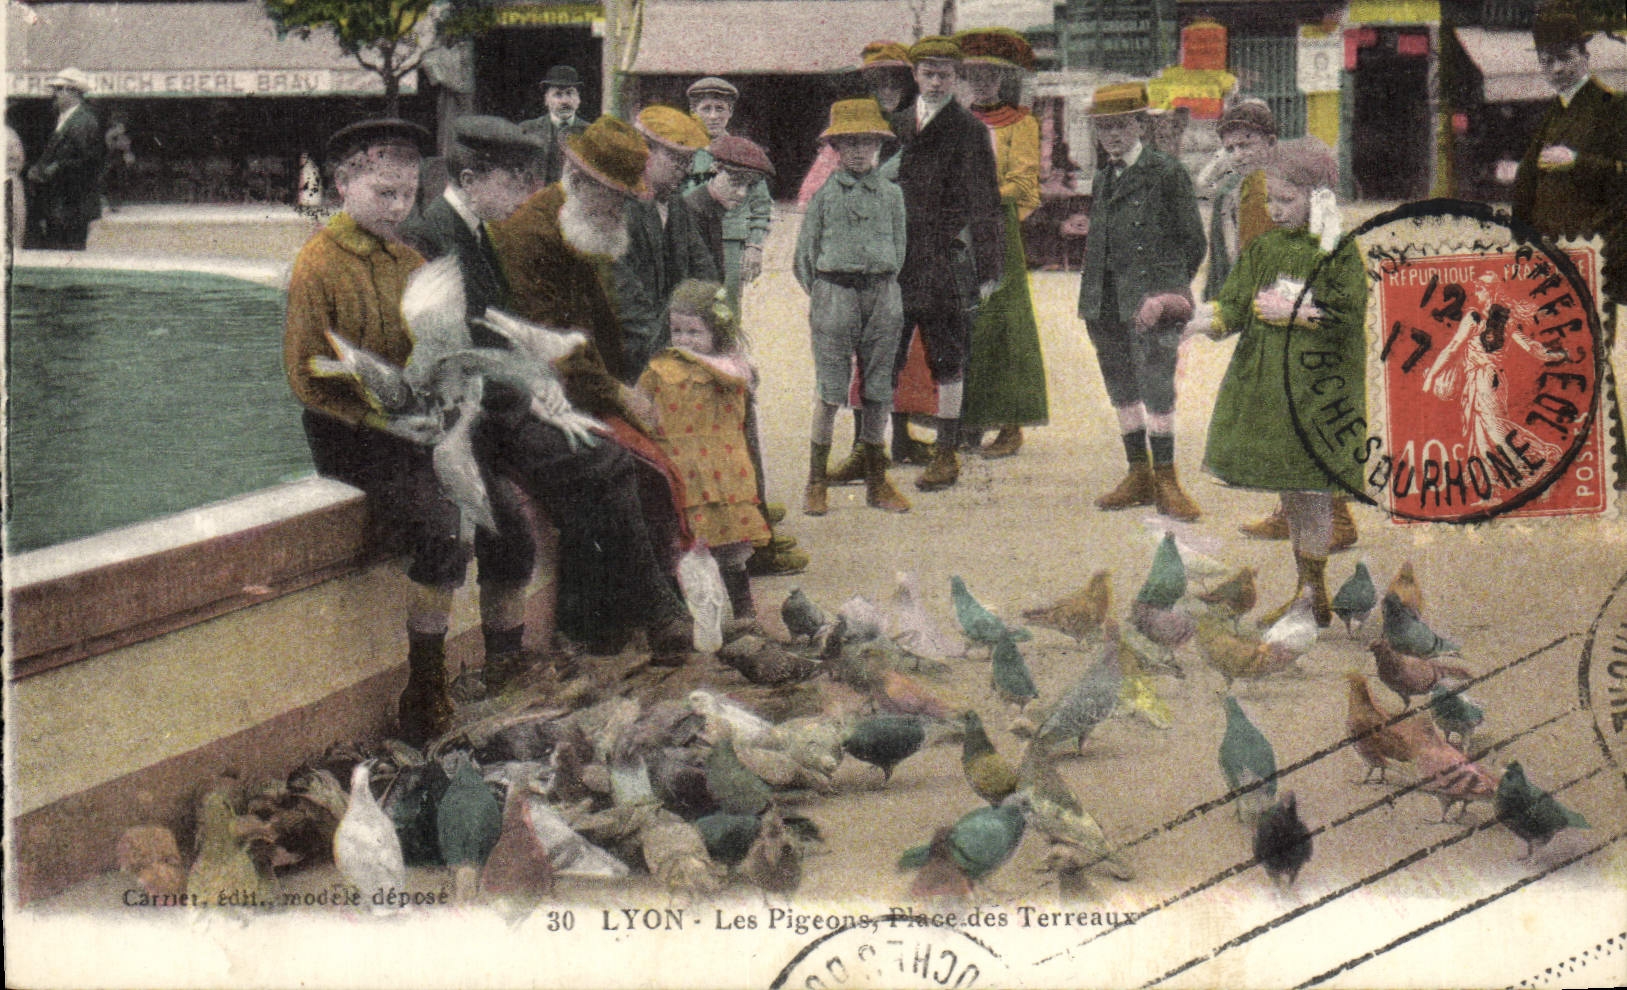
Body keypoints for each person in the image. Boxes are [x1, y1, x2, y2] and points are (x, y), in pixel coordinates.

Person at [485, 116, 699, 667]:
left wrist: (632, 383)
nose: (623, 211)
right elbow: (551, 345)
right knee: (620, 465)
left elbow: (597, 329)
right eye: (616, 199)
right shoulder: (532, 234)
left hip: (574, 389)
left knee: (649, 466)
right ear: (579, 181)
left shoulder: (579, 223)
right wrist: (620, 396)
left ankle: (608, 626)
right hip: (535, 394)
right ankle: (650, 614)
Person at [282, 117, 469, 744]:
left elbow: (433, 345)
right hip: (347, 429)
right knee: (444, 525)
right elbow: (307, 374)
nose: (397, 207)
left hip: (409, 423)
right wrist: (384, 416)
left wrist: (439, 392)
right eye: (382, 194)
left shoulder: (410, 260)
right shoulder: (317, 264)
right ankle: (425, 683)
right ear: (341, 187)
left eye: (407, 194)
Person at [395, 115, 548, 694]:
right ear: (471, 177)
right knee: (501, 525)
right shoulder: (431, 237)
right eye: (514, 181)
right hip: (447, 425)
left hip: (483, 415)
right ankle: (454, 680)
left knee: (516, 527)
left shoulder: (477, 232)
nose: (524, 194)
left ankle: (505, 668)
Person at [1193, 145, 1366, 626]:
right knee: (1293, 493)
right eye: (1270, 199)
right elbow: (1231, 306)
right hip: (1269, 389)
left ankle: (1312, 596)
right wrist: (1192, 324)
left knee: (1310, 490)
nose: (1273, 209)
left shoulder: (1336, 250)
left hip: (1317, 390)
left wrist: (1297, 312)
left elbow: (1349, 315)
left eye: (1286, 200)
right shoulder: (1264, 248)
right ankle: (1311, 593)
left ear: (1319, 197)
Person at [1077, 82, 1207, 520]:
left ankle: (1167, 480)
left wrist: (1165, 294)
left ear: (1139, 125)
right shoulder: (1103, 176)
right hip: (1105, 300)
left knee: (1157, 387)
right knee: (1121, 386)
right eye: (1104, 127)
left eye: (1121, 125)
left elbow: (1194, 243)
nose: (1112, 135)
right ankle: (1138, 474)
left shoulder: (1166, 172)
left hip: (1149, 301)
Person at [1512, 2, 1627, 492]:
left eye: (1563, 58)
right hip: (1551, 261)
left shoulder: (1613, 107)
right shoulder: (1550, 117)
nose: (1554, 69)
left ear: (1585, 54)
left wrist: (1578, 161)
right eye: (1545, 60)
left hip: (1593, 256)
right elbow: (1530, 187)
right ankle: (1587, 460)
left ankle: (1617, 466)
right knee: (1557, 360)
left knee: (1588, 359)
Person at [889, 35, 1005, 492]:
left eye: (945, 74)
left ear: (956, 78)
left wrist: (989, 265)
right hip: (895, 259)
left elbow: (984, 201)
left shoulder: (969, 129)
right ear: (915, 76)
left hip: (941, 260)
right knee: (889, 353)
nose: (936, 81)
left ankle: (946, 454)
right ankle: (895, 441)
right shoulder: (894, 125)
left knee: (948, 356)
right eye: (928, 73)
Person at [794, 97, 911, 516]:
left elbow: (900, 249)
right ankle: (816, 480)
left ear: (880, 147)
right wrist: (830, 293)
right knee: (830, 391)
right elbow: (803, 260)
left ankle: (878, 482)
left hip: (882, 295)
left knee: (879, 390)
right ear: (836, 149)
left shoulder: (893, 195)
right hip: (834, 293)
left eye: (868, 143)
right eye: (849, 143)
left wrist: (881, 284)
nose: (860, 151)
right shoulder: (824, 197)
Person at [637, 279, 773, 633]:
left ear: (718, 331)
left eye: (694, 332)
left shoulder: (734, 371)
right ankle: (690, 617)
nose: (683, 340)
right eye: (676, 331)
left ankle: (742, 612)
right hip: (682, 469)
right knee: (683, 545)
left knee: (730, 545)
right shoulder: (661, 369)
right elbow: (640, 405)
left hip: (723, 470)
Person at [954, 27, 1049, 461]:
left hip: (1000, 228)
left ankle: (1011, 425)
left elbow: (1025, 184)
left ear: (1002, 78)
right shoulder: (952, 123)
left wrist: (984, 198)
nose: (982, 82)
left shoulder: (1021, 124)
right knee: (961, 322)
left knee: (1003, 324)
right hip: (958, 231)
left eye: (990, 74)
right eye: (974, 74)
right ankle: (967, 422)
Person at [614, 105, 719, 382]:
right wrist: (664, 350)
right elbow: (624, 296)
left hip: (674, 344)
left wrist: (716, 325)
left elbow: (703, 268)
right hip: (631, 352)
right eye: (677, 161)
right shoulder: (620, 206)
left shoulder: (675, 204)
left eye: (688, 163)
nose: (685, 172)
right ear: (646, 153)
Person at [682, 77, 773, 296]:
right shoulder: (683, 150)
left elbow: (761, 206)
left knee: (727, 310)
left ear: (730, 112)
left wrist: (754, 247)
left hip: (730, 244)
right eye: (706, 109)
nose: (713, 116)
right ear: (693, 111)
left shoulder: (744, 154)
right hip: (688, 240)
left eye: (720, 109)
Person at [684, 134, 775, 306]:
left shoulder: (713, 209)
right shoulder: (693, 211)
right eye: (735, 182)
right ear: (715, 169)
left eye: (748, 186)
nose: (742, 193)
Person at [24, 67, 104, 250]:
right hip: (61, 204)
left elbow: (88, 163)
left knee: (66, 252)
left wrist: (53, 168)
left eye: (59, 89)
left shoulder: (83, 121)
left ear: (73, 92)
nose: (55, 94)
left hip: (71, 205)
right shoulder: (65, 119)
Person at [520, 65, 592, 188]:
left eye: (570, 93)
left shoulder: (591, 133)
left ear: (578, 99)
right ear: (546, 100)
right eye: (558, 95)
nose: (564, 101)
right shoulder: (527, 130)